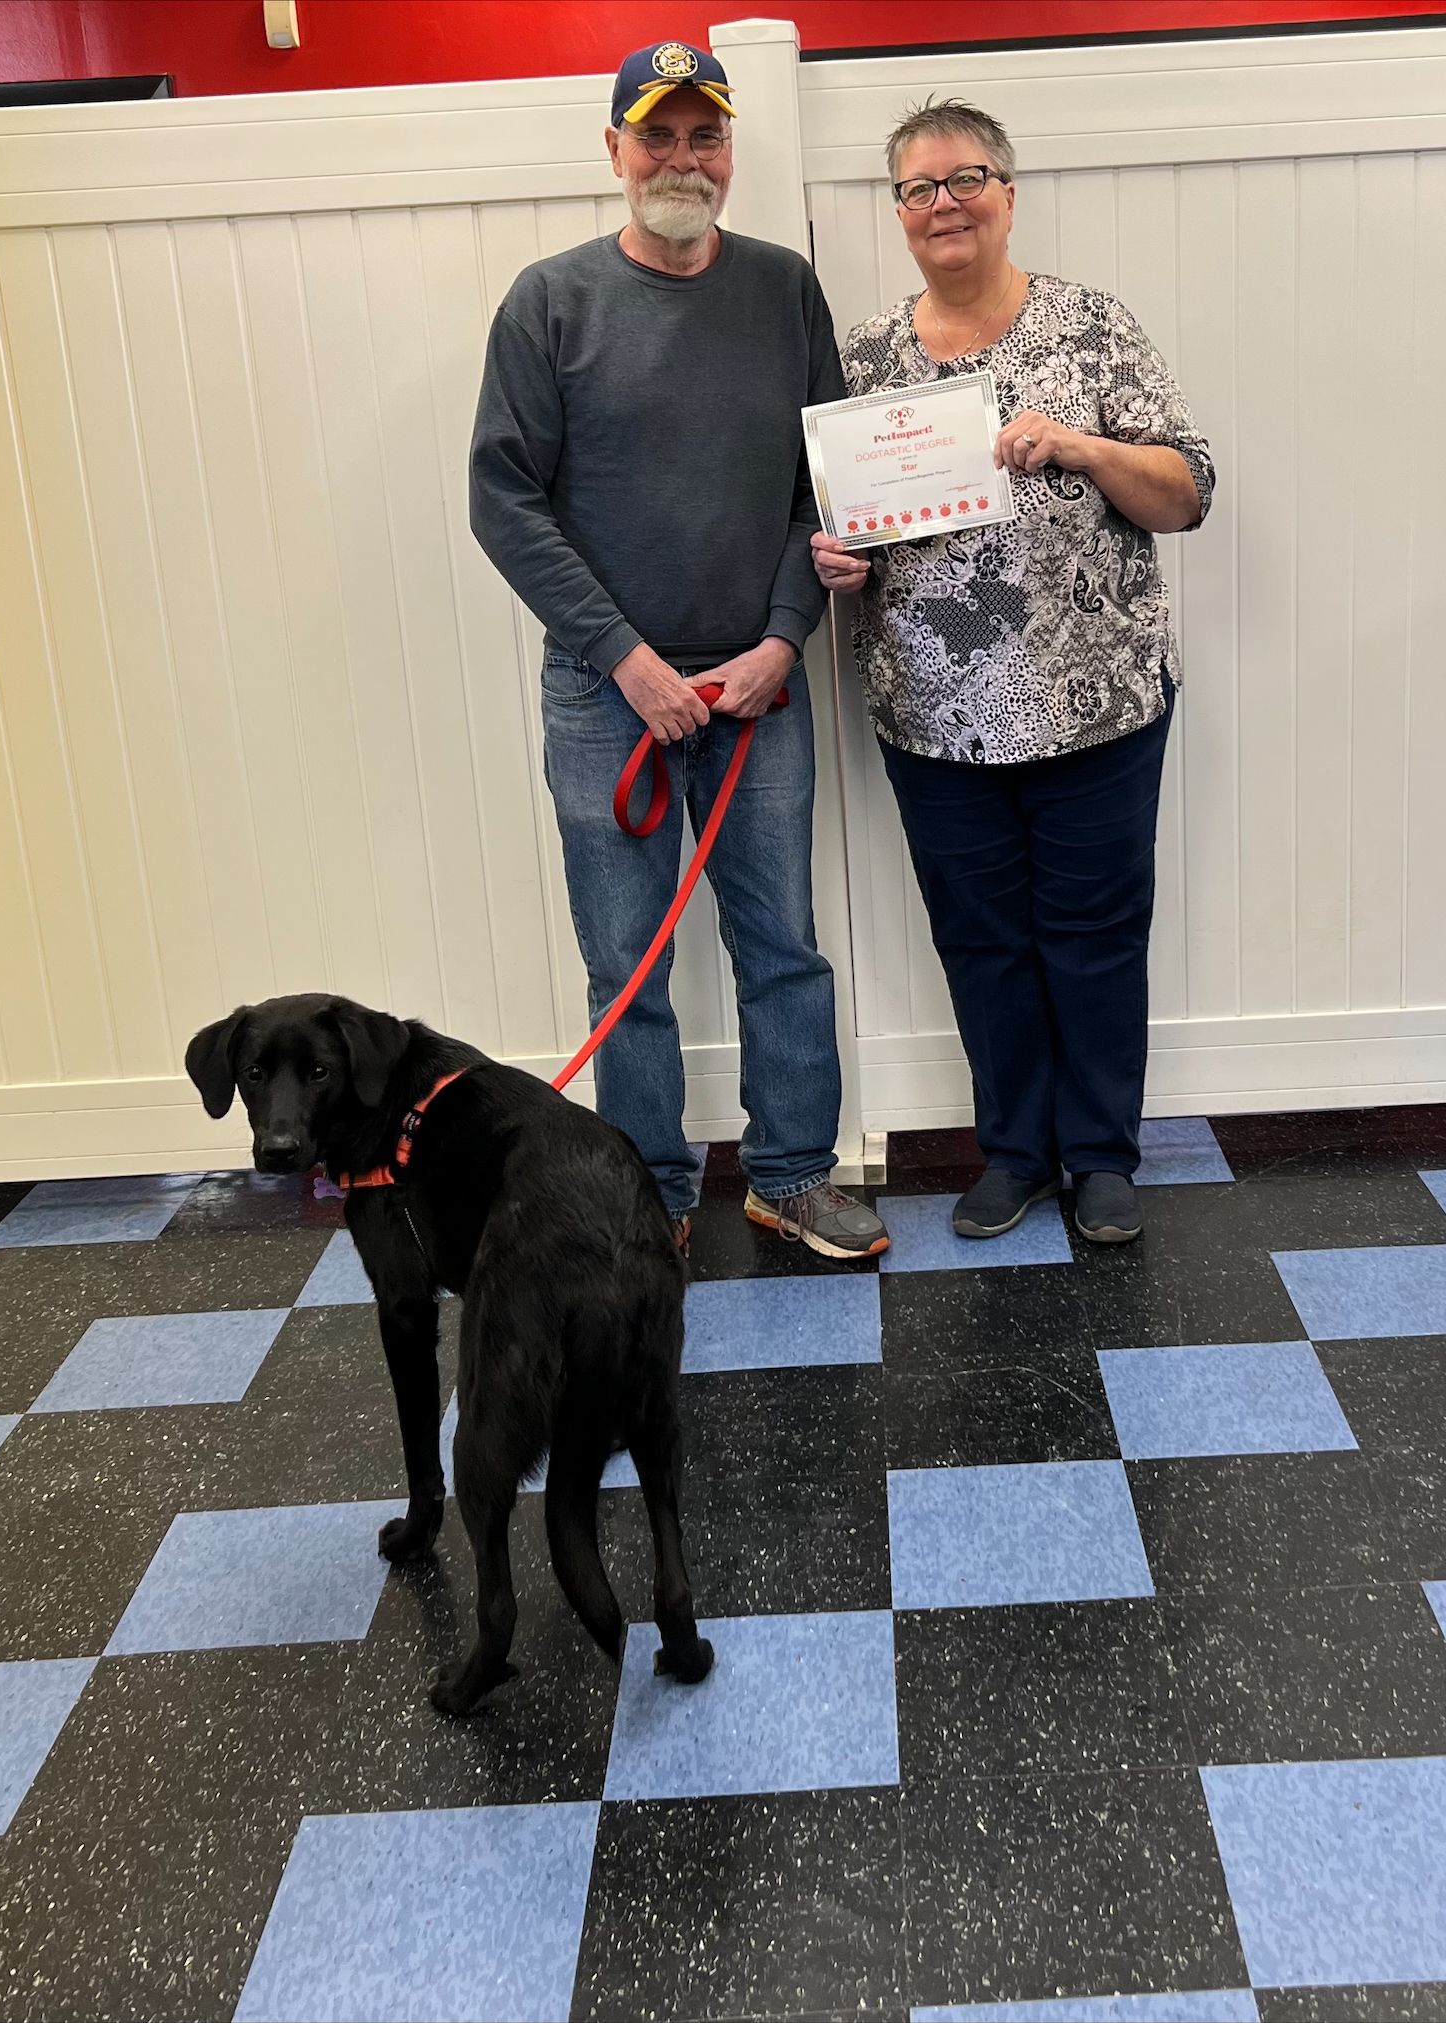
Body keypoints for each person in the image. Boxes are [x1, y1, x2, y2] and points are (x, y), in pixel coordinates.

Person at [470, 40, 889, 1261]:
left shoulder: (782, 288)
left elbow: (827, 487)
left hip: (759, 688)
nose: (682, 158)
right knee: (626, 964)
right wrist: (626, 661)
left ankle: (792, 1176)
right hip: (611, 696)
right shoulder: (548, 303)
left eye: (705, 135)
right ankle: (649, 1192)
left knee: (782, 947)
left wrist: (780, 641)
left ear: (728, 152)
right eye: (657, 134)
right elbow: (505, 501)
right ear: (613, 151)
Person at [813, 98, 1214, 1245]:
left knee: (1093, 933)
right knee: (980, 939)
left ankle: (1100, 1158)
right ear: (897, 214)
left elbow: (1185, 493)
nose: (944, 202)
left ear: (1006, 192)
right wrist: (832, 556)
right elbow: (836, 522)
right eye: (918, 187)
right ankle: (1015, 1151)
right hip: (932, 717)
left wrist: (1081, 445)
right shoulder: (864, 361)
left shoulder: (1093, 328)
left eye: (965, 178)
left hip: (1100, 703)